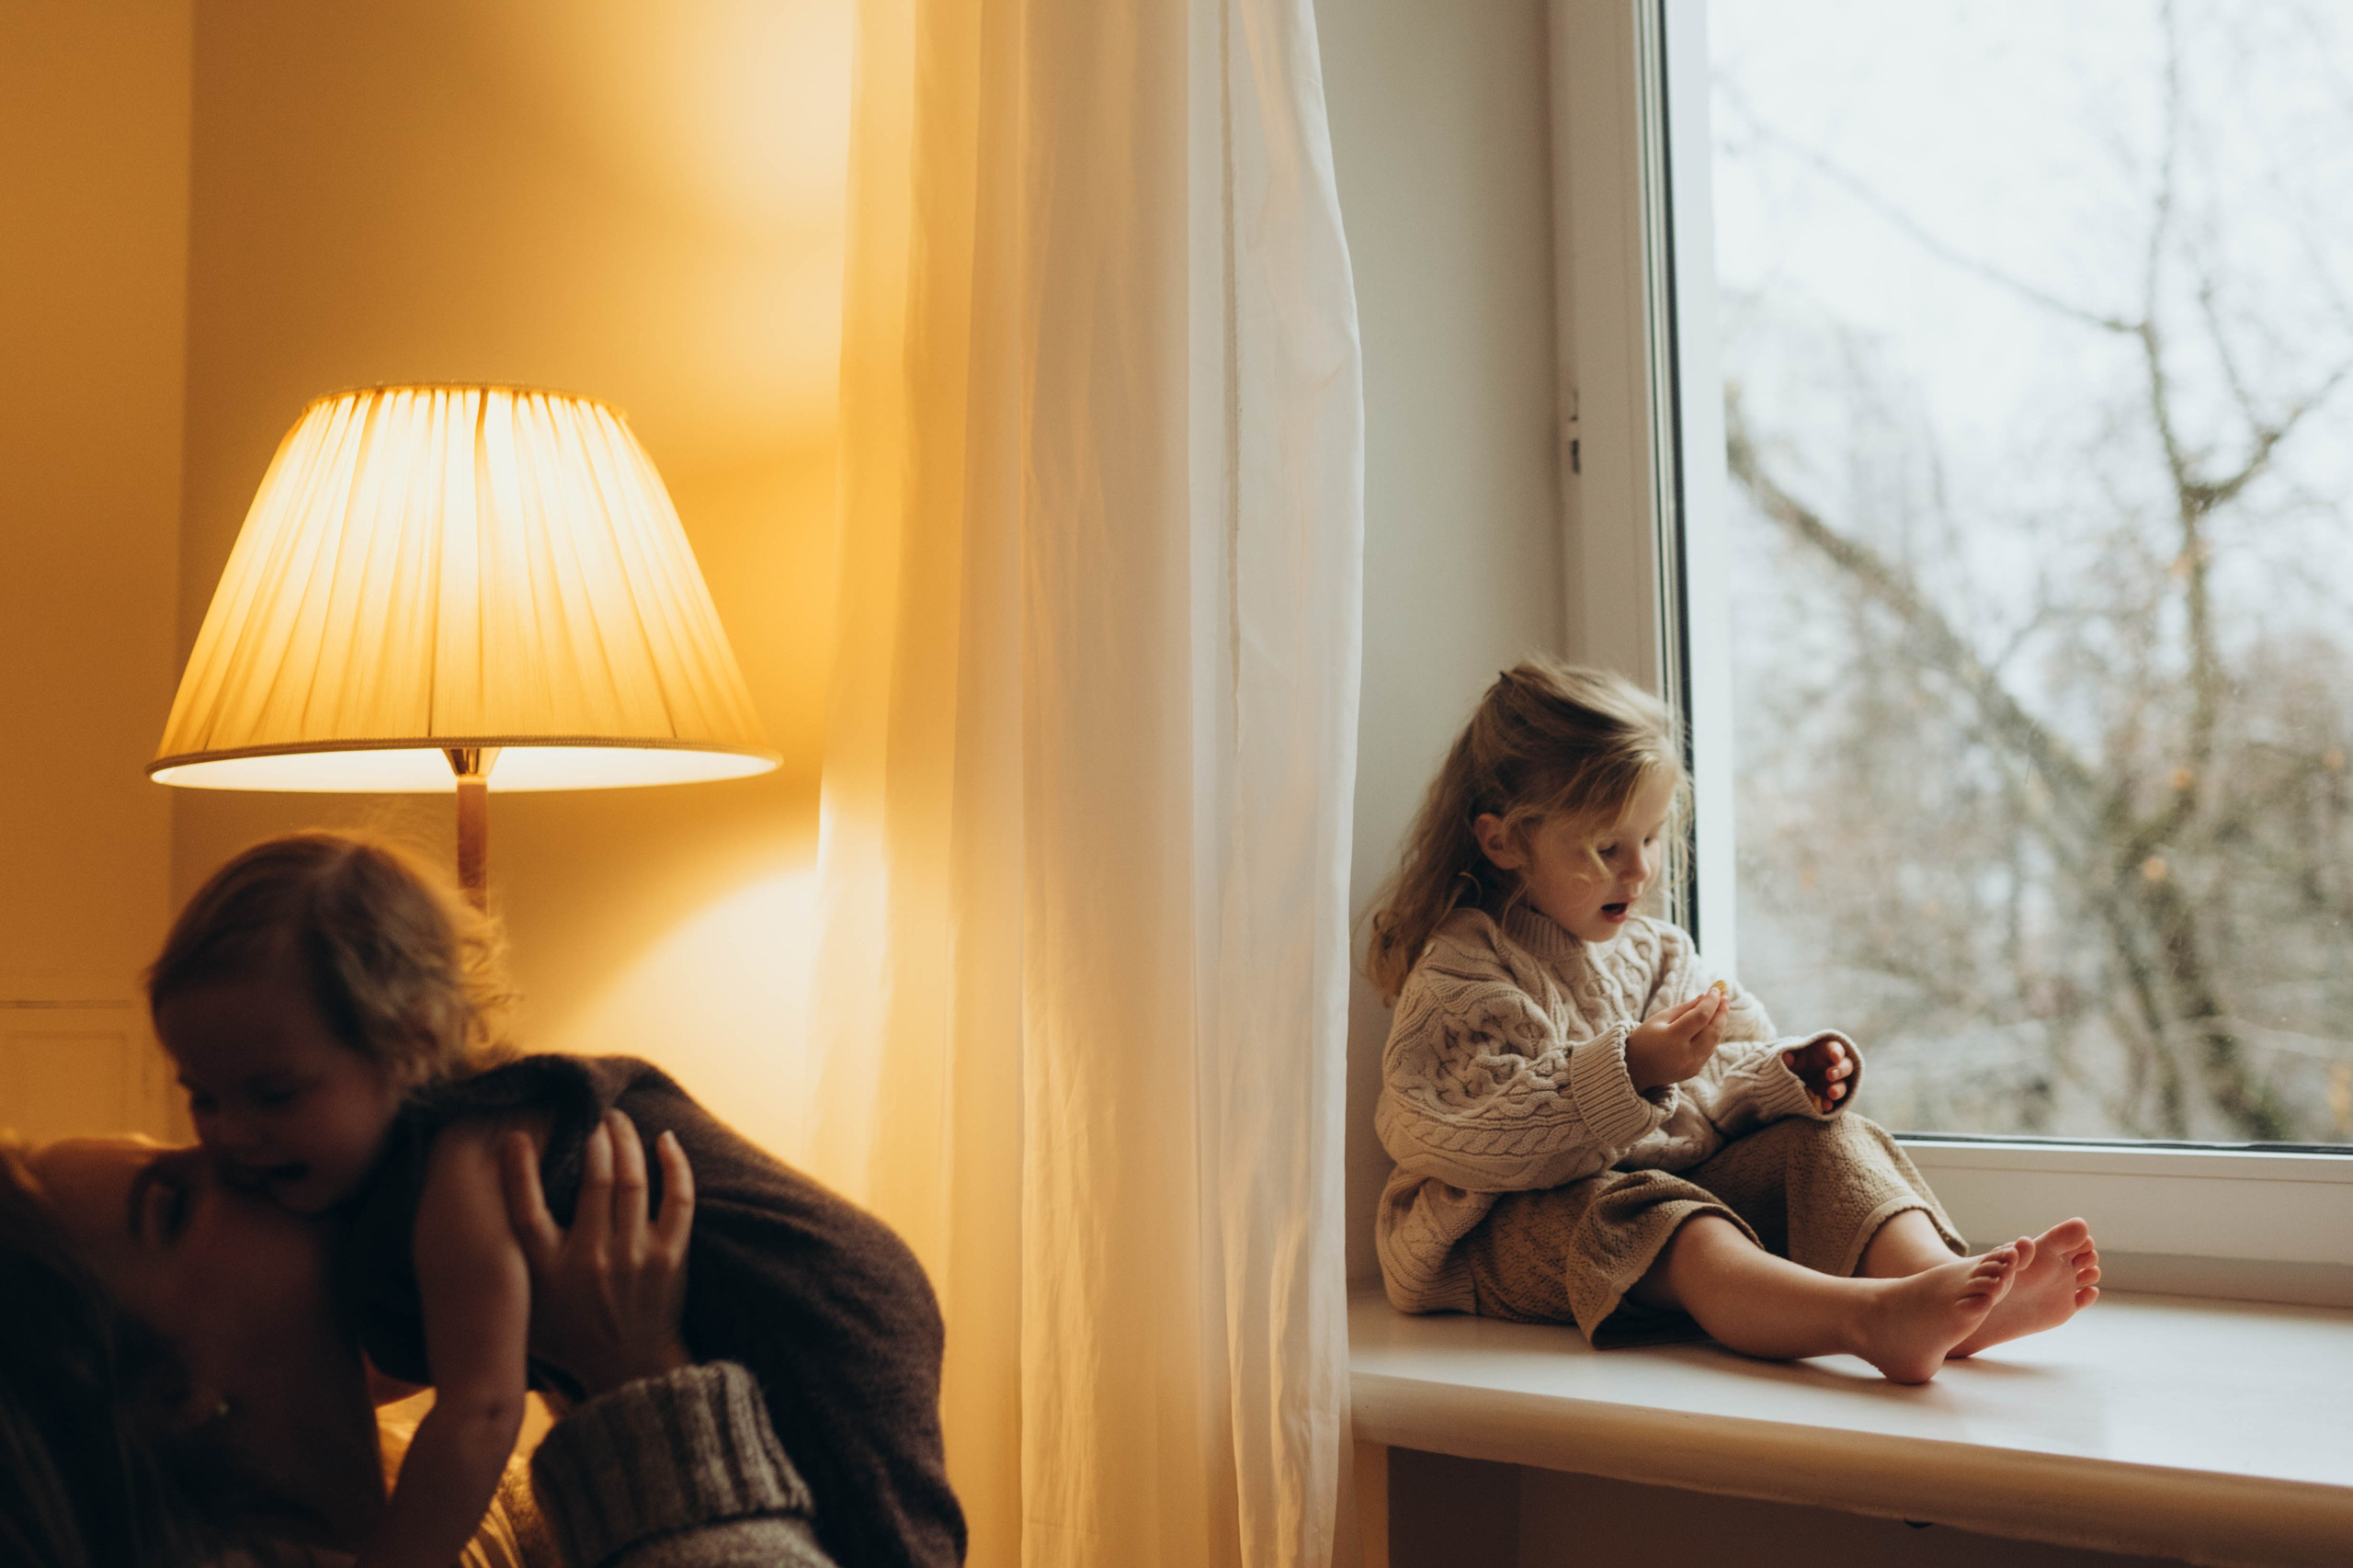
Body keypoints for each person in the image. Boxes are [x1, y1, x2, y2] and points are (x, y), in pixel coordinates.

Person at [144, 832, 964, 1568]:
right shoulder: (364, 1194)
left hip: (813, 1289)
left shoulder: (467, 1160)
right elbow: (388, 1360)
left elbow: (482, 1408)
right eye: (201, 1096)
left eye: (273, 1095)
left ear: (416, 1040)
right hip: (748, 1327)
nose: (229, 1132)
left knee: (873, 1526)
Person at [1366, 658, 2102, 1383]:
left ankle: (1941, 1287)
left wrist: (1781, 1079)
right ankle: (1866, 1318)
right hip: (1491, 1235)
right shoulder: (1464, 967)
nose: (1641, 871)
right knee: (1647, 1210)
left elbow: (1724, 1068)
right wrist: (1632, 1069)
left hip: (1651, 1197)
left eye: (1650, 839)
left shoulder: (1654, 953)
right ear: (1503, 842)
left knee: (1824, 1141)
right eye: (1607, 847)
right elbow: (1467, 1133)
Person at [4, 1113, 836, 1567]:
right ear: (164, 1394)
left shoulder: (445, 1494)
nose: (237, 1156)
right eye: (172, 1204)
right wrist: (637, 1375)